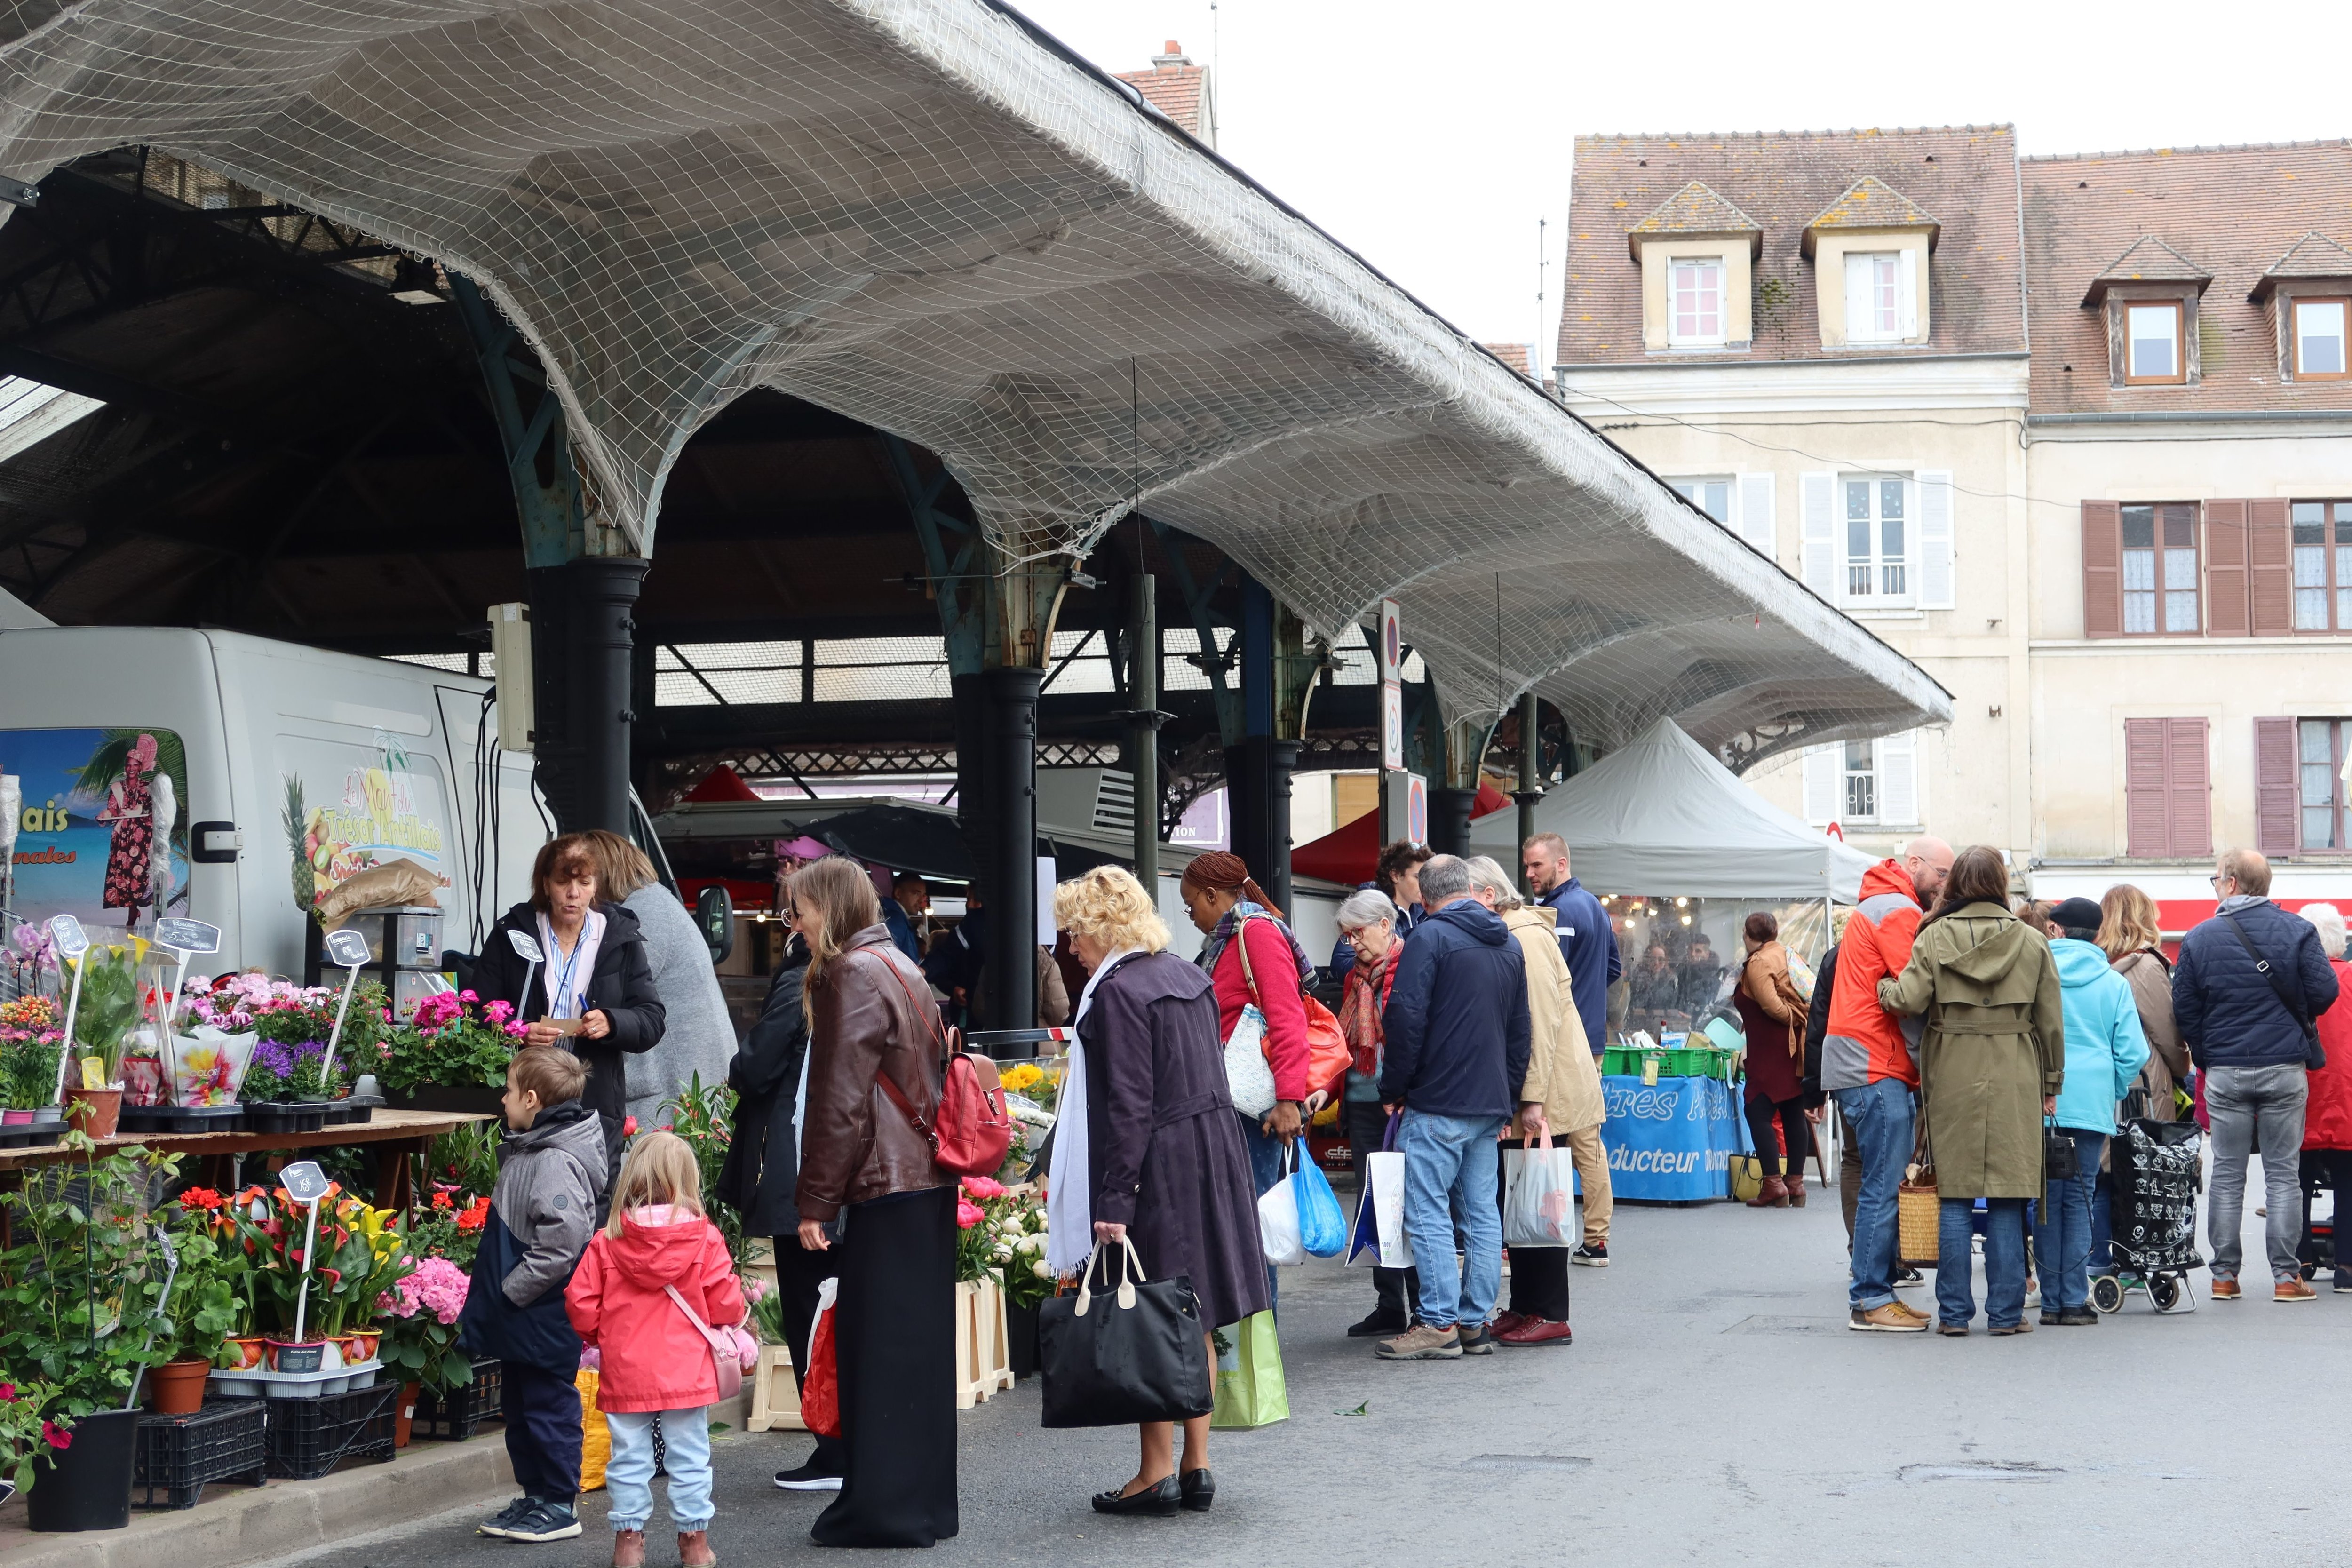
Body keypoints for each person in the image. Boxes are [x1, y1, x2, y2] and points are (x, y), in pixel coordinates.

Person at [1049, 866, 1269, 1517]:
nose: (1070, 947)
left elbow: (1128, 1106)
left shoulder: (1118, 991)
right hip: (1210, 1153)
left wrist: (1114, 1203)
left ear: (1099, 928)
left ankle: (1154, 1470)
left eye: (1074, 933)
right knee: (1188, 1309)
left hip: (1159, 1162)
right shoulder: (1186, 973)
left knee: (1148, 1313)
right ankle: (1197, 1465)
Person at [790, 855, 957, 1547]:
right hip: (922, 1182)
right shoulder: (897, 963)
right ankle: (922, 1506)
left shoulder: (851, 974)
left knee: (879, 1356)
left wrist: (814, 1201)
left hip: (885, 1185)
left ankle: (881, 1511)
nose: (792, 923)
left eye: (799, 909)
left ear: (828, 907)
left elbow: (839, 1101)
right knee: (915, 1355)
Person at [1876, 848, 2062, 1337]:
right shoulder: (2030, 941)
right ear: (2000, 883)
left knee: (1955, 1196)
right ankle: (2004, 1315)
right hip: (2015, 1071)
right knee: (2005, 1196)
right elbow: (2050, 1023)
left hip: (1953, 1071)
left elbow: (1908, 1000)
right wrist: (2050, 1085)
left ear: (1953, 882)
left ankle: (1954, 1316)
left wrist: (1881, 989)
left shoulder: (1933, 935)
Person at [1374, 854, 1531, 1361]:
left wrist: (1392, 1087)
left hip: (1438, 1099)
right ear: (1469, 887)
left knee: (1429, 1211)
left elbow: (1405, 1017)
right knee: (1482, 1214)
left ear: (1424, 897)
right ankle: (1473, 1322)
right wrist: (1506, 1099)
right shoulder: (1507, 941)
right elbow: (1518, 1031)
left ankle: (1438, 1322)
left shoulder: (1429, 937)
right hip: (1487, 1102)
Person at [566, 1130, 747, 1568]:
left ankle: (628, 1543)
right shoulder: (704, 1237)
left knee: (628, 1456)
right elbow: (726, 1302)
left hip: (627, 1368)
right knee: (690, 1454)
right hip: (687, 1371)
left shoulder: (607, 1240)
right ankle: (695, 1543)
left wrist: (600, 1337)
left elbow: (580, 1303)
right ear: (687, 1180)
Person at [711, 905, 843, 1494]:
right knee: (835, 1310)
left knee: (807, 1313)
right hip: (841, 1171)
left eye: (796, 912)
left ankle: (833, 1449)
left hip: (797, 1170)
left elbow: (754, 1067)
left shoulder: (802, 977)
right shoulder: (858, 971)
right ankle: (844, 1445)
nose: (789, 922)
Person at [2173, 848, 2341, 1303]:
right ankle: (2286, 1278)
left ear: (2229, 883)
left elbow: (2184, 1008)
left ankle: (2224, 1275)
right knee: (2283, 1175)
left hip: (2226, 1068)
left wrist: (2207, 1052)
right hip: (2284, 1066)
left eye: (2215, 879)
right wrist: (2295, 1022)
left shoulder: (2200, 937)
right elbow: (2325, 989)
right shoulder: (2297, 931)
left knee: (2227, 1174)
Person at [463, 1047, 609, 1544]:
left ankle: (559, 1503)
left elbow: (562, 1243)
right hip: (523, 1311)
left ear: (530, 1098)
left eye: (507, 1091)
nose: (502, 1100)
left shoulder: (553, 1160)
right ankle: (535, 1495)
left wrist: (511, 1290)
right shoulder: (533, 1147)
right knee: (522, 1407)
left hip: (542, 1309)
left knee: (548, 1405)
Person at [470, 834, 668, 1188]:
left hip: (592, 1100)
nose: (573, 893)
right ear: (546, 884)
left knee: (591, 1200)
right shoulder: (512, 932)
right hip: (524, 1098)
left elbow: (652, 1019)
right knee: (519, 1195)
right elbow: (475, 1012)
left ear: (596, 887)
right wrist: (519, 1031)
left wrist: (612, 1021)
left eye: (584, 882)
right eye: (563, 882)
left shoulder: (620, 938)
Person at [1824, 836, 1953, 1332]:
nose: (1942, 886)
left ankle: (1872, 1294)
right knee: (1882, 1184)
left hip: (1860, 1061)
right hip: (1873, 1063)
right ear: (1914, 865)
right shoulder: (1898, 910)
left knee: (1876, 1178)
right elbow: (1913, 993)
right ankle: (1871, 1299)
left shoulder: (1877, 903)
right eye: (1940, 875)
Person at [1465, 855, 1591, 1347]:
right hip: (1532, 1089)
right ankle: (1525, 1305)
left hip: (1543, 1091)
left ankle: (1548, 1310)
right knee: (1522, 1195)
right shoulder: (1518, 933)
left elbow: (1538, 1023)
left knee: (1537, 1196)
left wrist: (1532, 1098)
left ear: (1488, 896)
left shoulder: (1524, 937)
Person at [1181, 852, 1314, 1224]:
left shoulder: (1256, 933)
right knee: (1239, 1223)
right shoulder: (1231, 937)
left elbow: (1287, 1017)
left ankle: (1260, 1288)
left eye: (1190, 906)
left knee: (1251, 1226)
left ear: (1211, 895)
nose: (1191, 917)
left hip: (1257, 1108)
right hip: (1235, 1101)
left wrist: (1289, 1100)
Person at [2034, 897, 2149, 1326]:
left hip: (2044, 1100)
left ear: (2056, 931)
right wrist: (2111, 1087)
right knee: (2082, 1197)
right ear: (2098, 935)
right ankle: (2073, 1299)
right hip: (2091, 1104)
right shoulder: (2113, 983)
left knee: (2048, 1200)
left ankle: (2049, 1300)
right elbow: (2133, 1052)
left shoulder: (2038, 977)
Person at [580, 831, 734, 1132]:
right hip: (691, 1086)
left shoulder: (644, 912)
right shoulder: (657, 902)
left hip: (675, 1095)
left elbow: (604, 993)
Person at [1520, 834, 1619, 1266]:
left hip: (1564, 1044)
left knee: (1557, 1137)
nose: (1529, 874)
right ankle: (1595, 1237)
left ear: (1561, 863)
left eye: (1536, 865)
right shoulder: (1594, 906)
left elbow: (1546, 979)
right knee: (1586, 1140)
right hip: (1588, 1041)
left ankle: (1542, 1231)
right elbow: (1613, 967)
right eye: (1527, 866)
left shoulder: (1559, 913)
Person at [1333, 886, 1419, 1337]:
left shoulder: (1412, 966)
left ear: (1386, 925)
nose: (1354, 944)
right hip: (1364, 1100)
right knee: (1376, 1203)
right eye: (1348, 937)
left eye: (1358, 933)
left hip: (1402, 1102)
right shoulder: (1355, 978)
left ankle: (1426, 1305)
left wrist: (1402, 1089)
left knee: (1413, 1204)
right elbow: (1343, 1044)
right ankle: (1389, 1304)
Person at [2093, 884, 2183, 1287]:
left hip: (2099, 1082)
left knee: (2100, 1173)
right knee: (2137, 1174)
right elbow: (2166, 1032)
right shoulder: (2146, 967)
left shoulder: (2094, 963)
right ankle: (2132, 1262)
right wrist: (2182, 1066)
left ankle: (2097, 1262)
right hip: (2141, 1084)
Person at [1736, 912, 1814, 1209]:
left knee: (1757, 1109)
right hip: (1789, 1050)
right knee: (1793, 1109)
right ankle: (1796, 1183)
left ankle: (1774, 1183)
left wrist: (1792, 1019)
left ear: (1747, 934)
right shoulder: (1785, 953)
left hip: (1772, 1050)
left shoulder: (1758, 962)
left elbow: (1773, 1007)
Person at [2296, 904, 2352, 1290]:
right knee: (2348, 1181)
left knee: (2296, 1180)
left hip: (2302, 1095)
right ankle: (2347, 1265)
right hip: (2347, 1094)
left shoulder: (2294, 982)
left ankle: (2300, 1258)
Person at [1331, 840, 1431, 984]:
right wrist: (1379, 965)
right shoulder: (1368, 909)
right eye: (1417, 877)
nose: (1424, 883)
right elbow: (1339, 965)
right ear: (1395, 875)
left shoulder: (1425, 912)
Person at [1626, 943, 1680, 1021]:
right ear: (1647, 960)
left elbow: (1673, 1007)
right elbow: (1635, 1006)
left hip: (1664, 1023)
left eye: (1661, 960)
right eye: (1652, 959)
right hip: (1640, 1023)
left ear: (1666, 961)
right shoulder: (1638, 979)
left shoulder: (1672, 980)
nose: (1656, 963)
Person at [882, 871, 927, 962]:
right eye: (916, 894)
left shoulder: (895, 918)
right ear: (898, 893)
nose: (921, 901)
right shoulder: (895, 921)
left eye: (923, 895)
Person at [1678, 934, 1726, 1017]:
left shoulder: (1713, 981)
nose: (1693, 954)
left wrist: (1694, 1019)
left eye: (1698, 951)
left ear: (1707, 955)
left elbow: (1714, 1011)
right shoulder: (1681, 975)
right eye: (1690, 950)